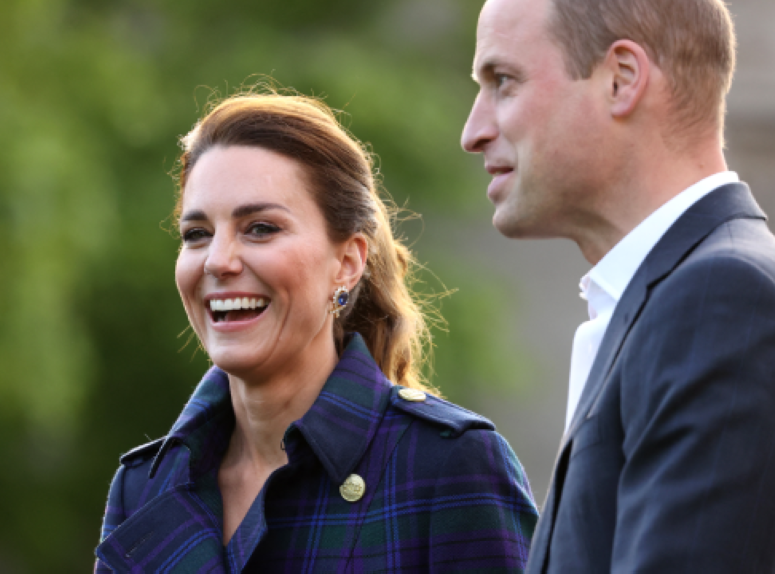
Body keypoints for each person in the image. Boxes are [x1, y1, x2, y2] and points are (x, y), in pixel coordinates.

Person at [93, 91, 538, 573]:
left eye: (260, 228)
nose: (218, 261)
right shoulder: (143, 488)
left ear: (347, 263)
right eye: (196, 234)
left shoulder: (449, 466)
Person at [462, 0, 775, 571]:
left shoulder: (725, 300)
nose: (474, 131)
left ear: (621, 80)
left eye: (503, 82)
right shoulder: (678, 300)